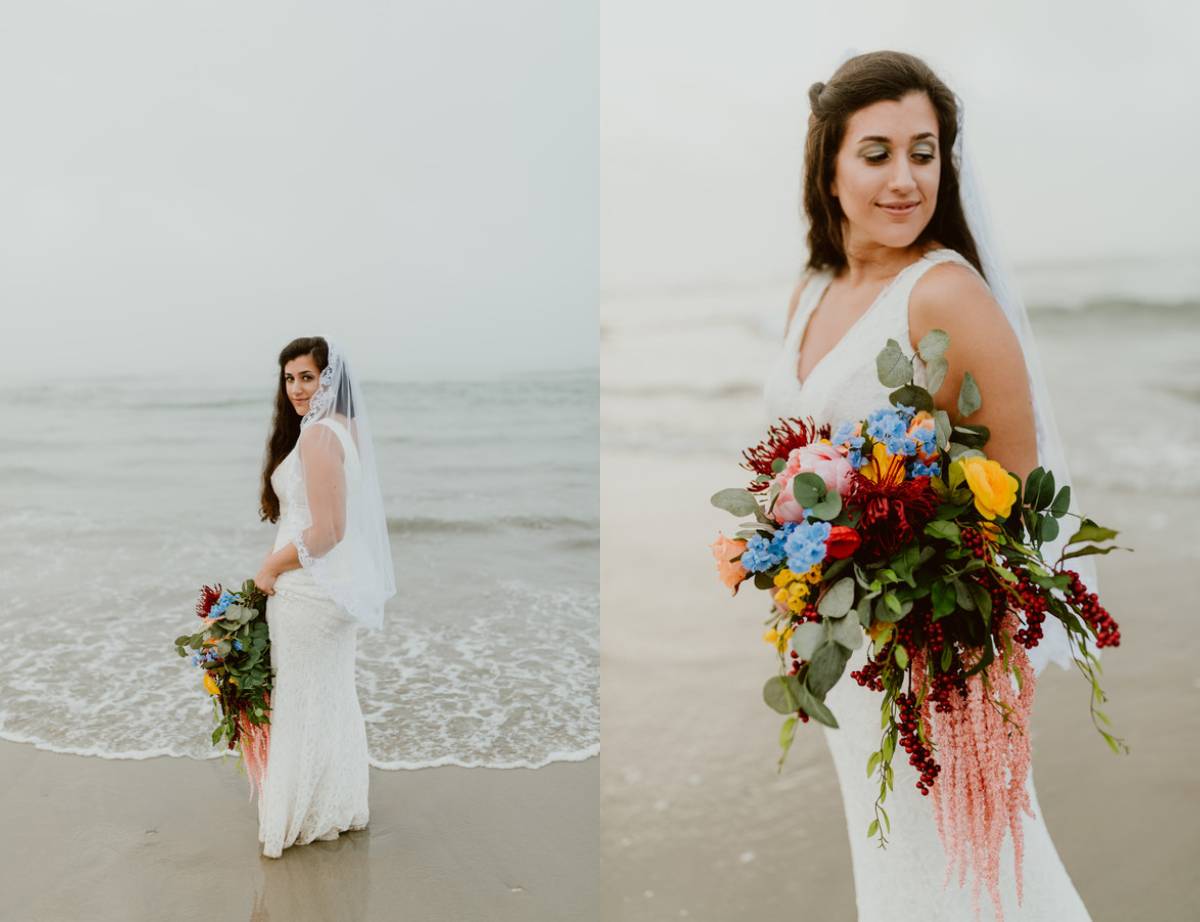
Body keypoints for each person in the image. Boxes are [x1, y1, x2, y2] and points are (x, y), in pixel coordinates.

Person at [762, 51, 1092, 919]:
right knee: (898, 866)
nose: (906, 179)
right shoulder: (811, 289)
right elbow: (800, 449)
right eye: (877, 153)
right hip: (843, 643)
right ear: (828, 165)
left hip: (934, 652)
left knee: (984, 866)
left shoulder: (945, 293)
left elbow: (1019, 493)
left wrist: (896, 555)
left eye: (925, 151)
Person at [253, 335, 396, 858]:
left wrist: (269, 566)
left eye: (308, 377)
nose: (296, 388)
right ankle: (335, 807)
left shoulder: (317, 437)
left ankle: (296, 817)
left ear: (328, 380)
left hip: (308, 592)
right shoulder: (345, 430)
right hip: (332, 592)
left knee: (297, 700)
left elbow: (327, 530)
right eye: (289, 377)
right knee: (331, 695)